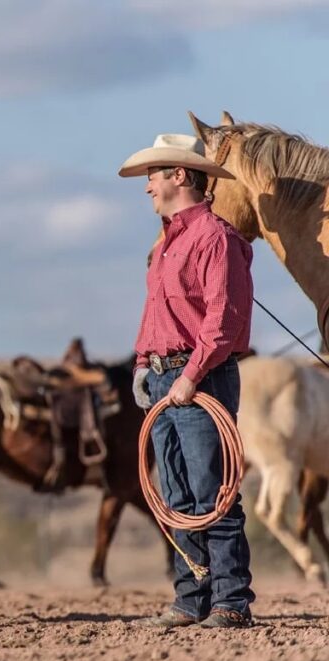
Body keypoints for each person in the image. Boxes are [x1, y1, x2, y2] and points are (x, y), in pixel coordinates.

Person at [119, 133, 255, 628]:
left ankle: (230, 601)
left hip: (201, 377)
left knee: (211, 490)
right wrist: (141, 363)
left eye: (153, 176)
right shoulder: (167, 242)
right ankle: (190, 598)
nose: (147, 187)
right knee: (176, 494)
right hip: (162, 379)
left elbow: (223, 319)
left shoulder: (216, 238)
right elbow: (155, 312)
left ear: (179, 175)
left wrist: (192, 374)